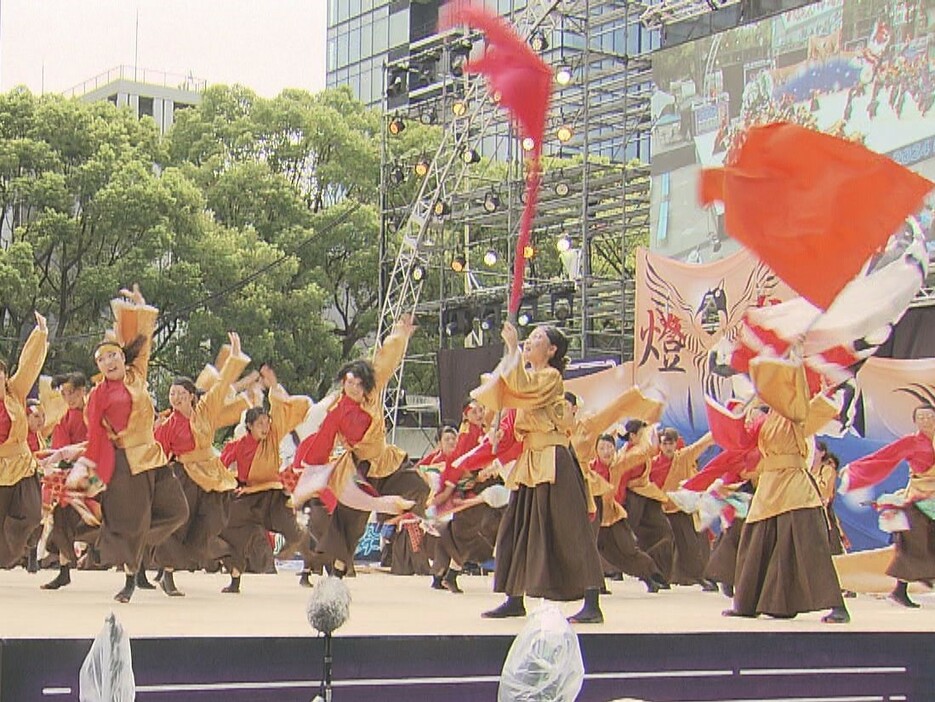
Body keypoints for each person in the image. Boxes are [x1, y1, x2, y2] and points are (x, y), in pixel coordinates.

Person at [62, 286, 189, 603]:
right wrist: (87, 465)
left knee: (178, 512)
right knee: (133, 522)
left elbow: (143, 344)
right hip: (125, 465)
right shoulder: (98, 396)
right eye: (102, 359)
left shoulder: (136, 376)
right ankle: (130, 579)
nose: (109, 362)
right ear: (99, 366)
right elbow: (96, 437)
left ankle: (129, 541)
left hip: (154, 457)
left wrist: (139, 308)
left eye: (113, 355)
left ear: (122, 357)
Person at [472, 322, 603, 623]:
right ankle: (514, 596)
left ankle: (593, 600)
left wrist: (513, 348)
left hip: (555, 459)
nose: (530, 342)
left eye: (537, 339)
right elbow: (507, 391)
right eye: (529, 338)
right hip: (532, 459)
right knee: (516, 528)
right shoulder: (532, 376)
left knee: (571, 530)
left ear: (552, 350)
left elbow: (521, 389)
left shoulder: (550, 377)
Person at [293, 315, 428, 579]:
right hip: (359, 467)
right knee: (349, 521)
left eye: (357, 383)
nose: (352, 387)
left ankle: (397, 517)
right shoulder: (335, 408)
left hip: (386, 459)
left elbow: (385, 360)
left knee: (420, 487)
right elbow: (323, 439)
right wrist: (313, 469)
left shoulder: (372, 392)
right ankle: (337, 571)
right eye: (348, 382)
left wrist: (400, 334)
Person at [723, 357, 848, 623]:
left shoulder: (794, 412)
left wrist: (795, 361)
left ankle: (836, 604)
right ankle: (752, 603)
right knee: (757, 542)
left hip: (793, 484)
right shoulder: (767, 419)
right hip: (769, 485)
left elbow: (802, 397)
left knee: (809, 546)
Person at [151, 332, 253, 596]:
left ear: (192, 396)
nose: (175, 398)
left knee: (214, 520)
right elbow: (159, 452)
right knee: (179, 522)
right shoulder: (167, 424)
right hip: (183, 476)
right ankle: (169, 575)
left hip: (212, 474)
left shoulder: (205, 410)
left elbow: (221, 386)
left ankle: (210, 559)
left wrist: (234, 355)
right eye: (172, 394)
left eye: (180, 393)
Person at [218, 369, 313, 593]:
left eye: (266, 422)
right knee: (228, 527)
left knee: (295, 533)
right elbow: (219, 468)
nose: (265, 427)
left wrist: (274, 388)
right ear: (249, 426)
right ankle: (234, 578)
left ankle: (309, 569)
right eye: (260, 423)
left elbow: (283, 410)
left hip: (273, 496)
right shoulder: (237, 446)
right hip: (247, 498)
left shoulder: (272, 436)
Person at [840, 405, 935, 608]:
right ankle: (899, 591)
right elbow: (885, 457)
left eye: (930, 417)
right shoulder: (912, 442)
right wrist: (855, 471)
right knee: (912, 549)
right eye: (922, 417)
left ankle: (909, 586)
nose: (927, 421)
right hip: (918, 503)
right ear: (915, 422)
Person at [0, 313, 49, 570]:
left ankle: (21, 550)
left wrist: (40, 333)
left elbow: (28, 365)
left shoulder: (15, 392)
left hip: (22, 465)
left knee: (32, 514)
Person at [41, 373, 97, 590]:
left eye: (72, 392)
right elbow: (60, 449)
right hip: (74, 473)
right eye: (64, 394)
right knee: (62, 518)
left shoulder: (93, 412)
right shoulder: (65, 418)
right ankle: (64, 571)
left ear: (83, 390)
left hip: (94, 471)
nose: (68, 397)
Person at [651, 428, 716, 589]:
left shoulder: (683, 458)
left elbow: (700, 445)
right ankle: (659, 577)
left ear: (676, 444)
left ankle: (699, 577)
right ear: (660, 444)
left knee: (692, 545)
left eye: (671, 443)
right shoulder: (652, 464)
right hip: (662, 509)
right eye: (664, 443)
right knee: (661, 543)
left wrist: (716, 432)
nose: (668, 447)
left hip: (682, 508)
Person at [615, 419, 676, 584]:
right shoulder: (626, 457)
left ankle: (659, 572)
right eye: (643, 435)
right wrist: (617, 505)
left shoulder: (644, 453)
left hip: (647, 499)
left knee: (664, 532)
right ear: (633, 436)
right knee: (625, 539)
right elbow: (619, 482)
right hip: (631, 500)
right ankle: (627, 569)